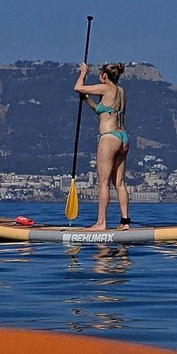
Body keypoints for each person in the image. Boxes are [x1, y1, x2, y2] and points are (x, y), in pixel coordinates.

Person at [73, 62, 131, 230]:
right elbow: (104, 111)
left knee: (103, 182)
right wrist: (88, 100)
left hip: (108, 139)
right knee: (120, 183)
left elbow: (78, 87)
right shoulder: (121, 92)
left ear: (104, 76)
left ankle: (101, 223)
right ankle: (125, 223)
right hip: (123, 138)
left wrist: (83, 72)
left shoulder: (106, 88)